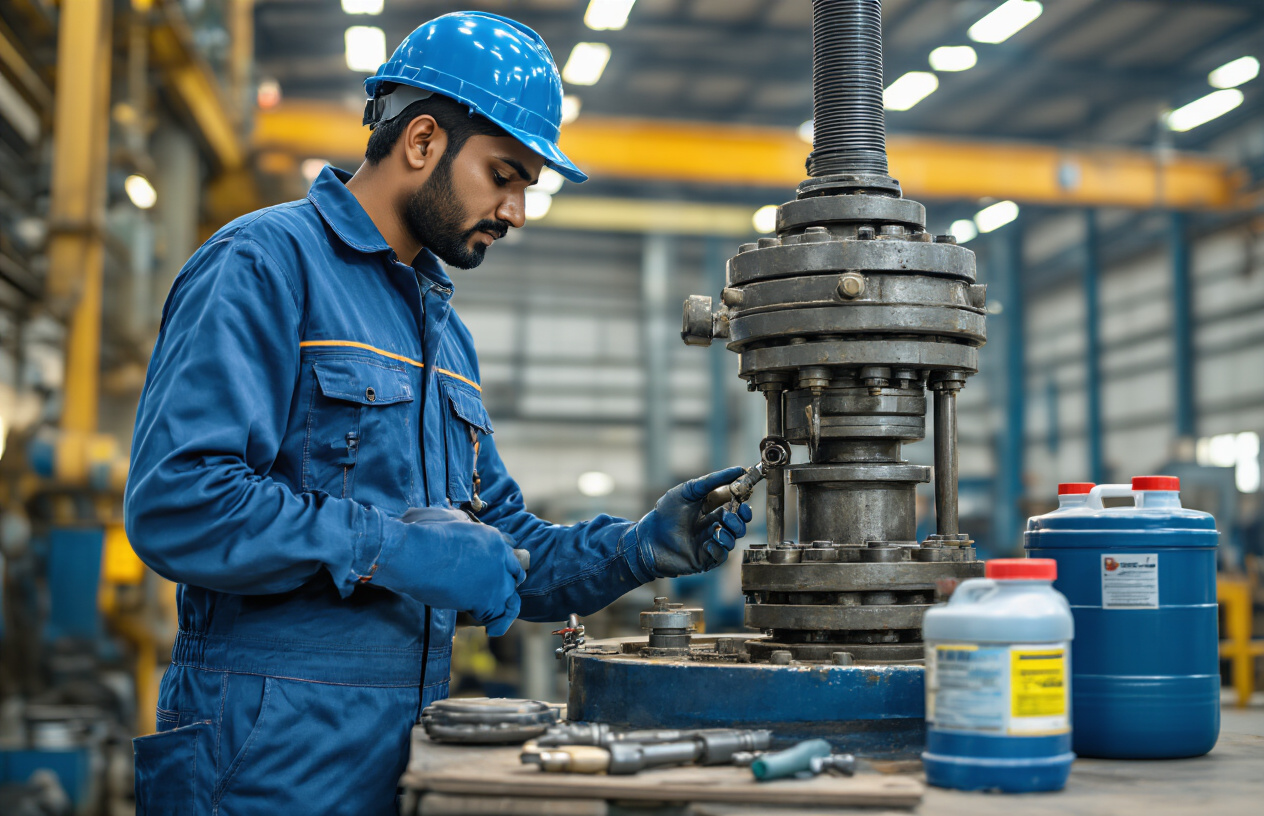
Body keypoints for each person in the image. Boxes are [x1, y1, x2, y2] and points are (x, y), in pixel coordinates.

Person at [124, 11, 751, 815]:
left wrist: (635, 550)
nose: (517, 211)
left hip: (408, 754)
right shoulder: (262, 266)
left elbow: (501, 549)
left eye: (526, 185)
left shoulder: (442, 333)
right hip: (263, 761)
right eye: (505, 174)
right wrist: (394, 550)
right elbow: (180, 504)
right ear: (422, 141)